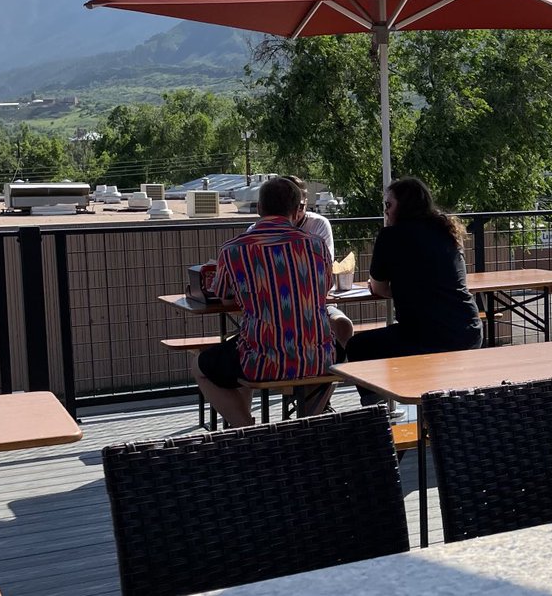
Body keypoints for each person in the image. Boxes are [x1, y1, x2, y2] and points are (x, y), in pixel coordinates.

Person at [191, 175, 335, 428]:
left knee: (201, 365)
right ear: (295, 210)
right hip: (317, 357)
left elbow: (224, 297)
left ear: (259, 208)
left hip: (262, 359)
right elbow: (324, 289)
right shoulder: (317, 245)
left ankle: (247, 429)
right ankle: (306, 426)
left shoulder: (234, 249)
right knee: (341, 354)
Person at [345, 177, 483, 377]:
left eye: (388, 204)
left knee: (358, 346)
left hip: (425, 335)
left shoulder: (390, 236)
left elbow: (379, 288)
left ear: (403, 206)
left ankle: (380, 403)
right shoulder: (447, 231)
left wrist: (407, 289)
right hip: (468, 330)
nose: (386, 210)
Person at [283, 174, 354, 353]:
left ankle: (332, 376)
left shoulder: (318, 223)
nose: (300, 209)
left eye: (303, 204)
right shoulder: (257, 231)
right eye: (297, 204)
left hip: (318, 303)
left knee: (343, 325)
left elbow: (326, 269)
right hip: (284, 307)